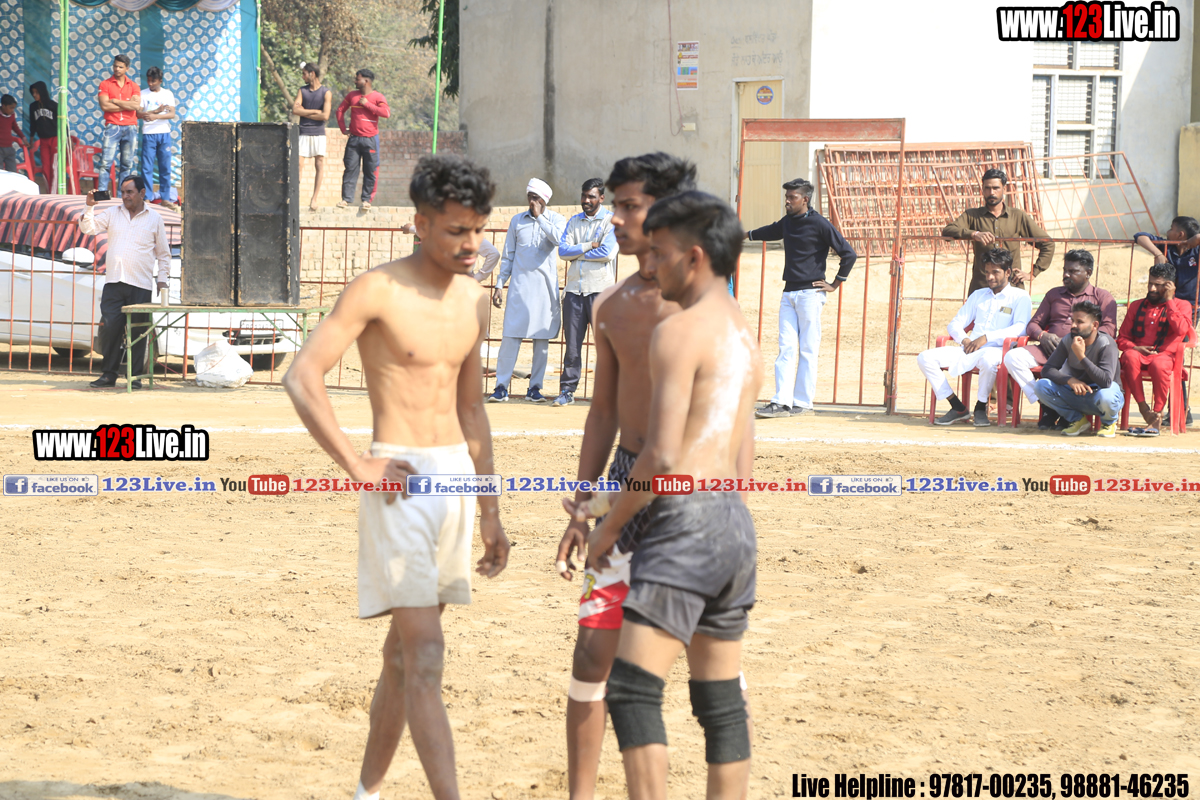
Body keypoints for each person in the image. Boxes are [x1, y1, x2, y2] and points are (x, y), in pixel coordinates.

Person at [282, 154, 509, 800]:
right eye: (456, 230)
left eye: (478, 230)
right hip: (398, 482)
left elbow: (472, 410)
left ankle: (366, 792)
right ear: (420, 223)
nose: (471, 245)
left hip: (455, 481)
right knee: (427, 656)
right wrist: (358, 463)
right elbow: (301, 376)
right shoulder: (376, 290)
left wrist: (490, 511)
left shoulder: (474, 300)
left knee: (403, 657)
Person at [566, 191, 761, 800]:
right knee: (719, 703)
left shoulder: (678, 332)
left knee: (631, 691)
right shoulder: (743, 334)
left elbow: (661, 457)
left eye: (664, 252)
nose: (654, 263)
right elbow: (737, 450)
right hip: (733, 524)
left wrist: (608, 524)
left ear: (694, 257)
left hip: (684, 523)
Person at [552, 152, 701, 800]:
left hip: (687, 495)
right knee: (593, 650)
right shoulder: (612, 304)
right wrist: (583, 507)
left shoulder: (700, 307)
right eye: (614, 205)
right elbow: (604, 412)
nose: (614, 218)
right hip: (621, 483)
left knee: (703, 664)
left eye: (628, 206)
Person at [746, 177, 856, 419]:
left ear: (805, 199)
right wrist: (746, 234)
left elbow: (849, 254)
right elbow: (770, 231)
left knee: (807, 349)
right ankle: (781, 402)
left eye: (791, 197)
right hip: (789, 293)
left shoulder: (819, 223)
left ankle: (803, 403)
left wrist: (835, 284)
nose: (787, 201)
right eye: (786, 197)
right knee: (785, 347)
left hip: (810, 294)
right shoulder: (788, 222)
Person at [1001, 249, 1117, 429]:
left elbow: (1109, 330)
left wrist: (1080, 343)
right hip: (1049, 349)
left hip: (1080, 354)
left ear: (1088, 273)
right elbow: (1033, 324)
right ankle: (1047, 405)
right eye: (1065, 270)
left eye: (1072, 271)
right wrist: (1042, 335)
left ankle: (1064, 412)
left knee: (1066, 368)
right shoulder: (1054, 294)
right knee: (1012, 357)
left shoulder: (1102, 297)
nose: (1066, 275)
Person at [916, 248, 1031, 427]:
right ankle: (957, 406)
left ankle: (980, 407)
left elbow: (1021, 328)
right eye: (987, 272)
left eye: (995, 272)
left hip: (998, 350)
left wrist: (987, 337)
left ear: (1008, 272)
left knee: (988, 359)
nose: (990, 277)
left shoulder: (1020, 296)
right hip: (970, 348)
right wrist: (965, 340)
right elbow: (955, 324)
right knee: (925, 357)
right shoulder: (978, 295)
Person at [78, 176, 170, 390]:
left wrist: (162, 280)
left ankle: (135, 377)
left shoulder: (154, 218)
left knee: (138, 332)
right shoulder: (113, 213)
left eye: (130, 192)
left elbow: (163, 254)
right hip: (114, 282)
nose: (125, 196)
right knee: (110, 328)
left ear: (142, 193)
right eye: (123, 192)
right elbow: (88, 228)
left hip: (140, 284)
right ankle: (108, 375)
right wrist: (89, 206)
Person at [486, 178, 566, 403]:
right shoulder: (517, 221)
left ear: (544, 200)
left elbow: (559, 240)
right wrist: (499, 284)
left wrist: (540, 217)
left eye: (536, 198)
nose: (531, 201)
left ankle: (535, 388)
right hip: (519, 290)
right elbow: (508, 256)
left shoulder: (557, 220)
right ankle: (501, 387)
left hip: (544, 292)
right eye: (529, 197)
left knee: (541, 342)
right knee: (510, 339)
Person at [555, 178, 618, 406]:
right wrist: (588, 246)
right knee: (572, 347)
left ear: (601, 197)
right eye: (584, 196)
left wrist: (578, 254)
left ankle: (608, 394)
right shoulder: (574, 221)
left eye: (591, 196)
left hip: (601, 293)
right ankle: (567, 391)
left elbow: (607, 253)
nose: (586, 200)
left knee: (606, 346)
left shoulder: (611, 222)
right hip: (574, 292)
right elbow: (563, 252)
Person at [941, 168, 1055, 293]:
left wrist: (1032, 273)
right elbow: (948, 231)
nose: (991, 192)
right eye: (987, 188)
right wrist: (974, 234)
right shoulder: (972, 215)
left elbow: (1047, 243)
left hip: (1011, 287)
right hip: (982, 287)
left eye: (996, 188)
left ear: (1004, 189)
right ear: (982, 190)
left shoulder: (1017, 216)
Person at [1116, 264, 1195, 435]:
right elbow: (1121, 339)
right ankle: (1144, 408)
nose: (1152, 289)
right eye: (1150, 283)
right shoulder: (1136, 306)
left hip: (1165, 357)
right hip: (1138, 355)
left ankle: (1157, 415)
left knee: (1159, 364)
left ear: (1170, 286)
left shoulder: (1182, 305)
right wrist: (1135, 347)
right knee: (1129, 356)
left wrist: (1169, 301)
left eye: (1158, 285)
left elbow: (1181, 329)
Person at [1033, 301, 1123, 438]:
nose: (1073, 326)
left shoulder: (1106, 343)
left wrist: (1081, 356)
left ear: (1095, 325)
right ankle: (1077, 420)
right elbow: (1048, 369)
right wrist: (1069, 380)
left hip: (1101, 395)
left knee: (1107, 396)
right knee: (1041, 386)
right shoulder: (1069, 340)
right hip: (1077, 395)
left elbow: (1105, 381)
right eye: (1073, 321)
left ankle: (1108, 423)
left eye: (1079, 322)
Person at [336, 69, 390, 211]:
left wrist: (367, 104)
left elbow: (386, 113)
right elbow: (340, 110)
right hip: (354, 140)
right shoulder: (352, 95)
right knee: (350, 169)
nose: (355, 81)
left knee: (370, 170)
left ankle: (366, 200)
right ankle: (346, 199)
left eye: (357, 79)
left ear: (366, 81)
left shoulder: (377, 97)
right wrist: (343, 129)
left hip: (371, 139)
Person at [1134, 217, 1200, 318]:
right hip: (1166, 304)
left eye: (1171, 228)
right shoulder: (1166, 246)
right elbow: (1139, 236)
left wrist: (1198, 237)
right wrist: (1158, 254)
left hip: (1191, 306)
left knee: (1184, 328)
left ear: (1180, 234)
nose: (1167, 232)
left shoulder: (1196, 251)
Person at [96, 54, 141, 197]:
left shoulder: (134, 86)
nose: (117, 69)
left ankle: (124, 196)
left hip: (130, 127)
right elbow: (104, 106)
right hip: (112, 126)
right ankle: (102, 195)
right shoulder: (105, 84)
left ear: (127, 68)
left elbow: (136, 106)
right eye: (115, 66)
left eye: (121, 67)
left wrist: (115, 101)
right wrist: (127, 105)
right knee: (106, 163)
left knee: (127, 164)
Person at [293, 61, 332, 211]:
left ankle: (314, 199)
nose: (303, 77)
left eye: (304, 74)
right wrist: (315, 111)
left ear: (312, 74)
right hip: (303, 132)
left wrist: (305, 111)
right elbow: (295, 110)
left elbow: (325, 116)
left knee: (319, 164)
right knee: (298, 165)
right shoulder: (302, 91)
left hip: (318, 133)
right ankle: (295, 198)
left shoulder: (326, 93)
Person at [137, 66, 177, 209]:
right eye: (148, 80)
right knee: (146, 167)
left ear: (160, 80)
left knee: (165, 167)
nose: (150, 83)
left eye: (153, 81)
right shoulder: (143, 94)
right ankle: (147, 197)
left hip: (164, 133)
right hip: (148, 133)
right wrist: (155, 112)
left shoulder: (167, 94)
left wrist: (154, 116)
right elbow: (138, 114)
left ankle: (165, 198)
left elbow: (172, 114)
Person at [27, 82, 57, 192]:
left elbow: (63, 123)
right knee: (46, 167)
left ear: (42, 92)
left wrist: (68, 139)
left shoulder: (53, 105)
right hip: (43, 140)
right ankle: (49, 192)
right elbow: (33, 124)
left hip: (55, 139)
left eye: (36, 92)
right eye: (33, 93)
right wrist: (31, 139)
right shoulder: (33, 106)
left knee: (55, 167)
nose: (34, 95)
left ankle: (56, 192)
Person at [0, 94, 27, 174]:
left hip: (9, 148)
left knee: (12, 171)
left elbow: (15, 127)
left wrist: (23, 137)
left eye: (14, 108)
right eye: (11, 108)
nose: (13, 110)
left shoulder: (12, 115)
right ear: (3, 106)